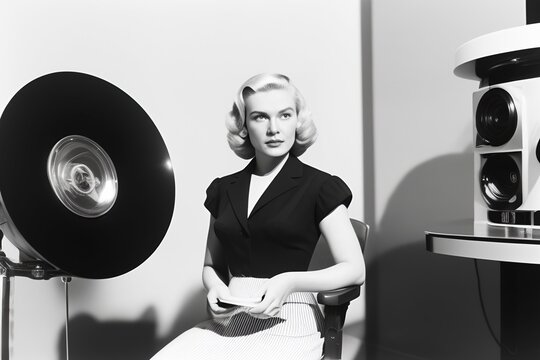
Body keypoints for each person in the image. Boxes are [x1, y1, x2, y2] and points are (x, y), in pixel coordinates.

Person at [151, 73, 365, 360]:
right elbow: (210, 265)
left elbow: (354, 269)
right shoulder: (223, 189)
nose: (274, 128)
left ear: (297, 120)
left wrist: (289, 281)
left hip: (291, 318)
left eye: (285, 115)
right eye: (260, 117)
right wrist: (215, 286)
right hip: (229, 321)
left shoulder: (321, 187)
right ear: (244, 126)